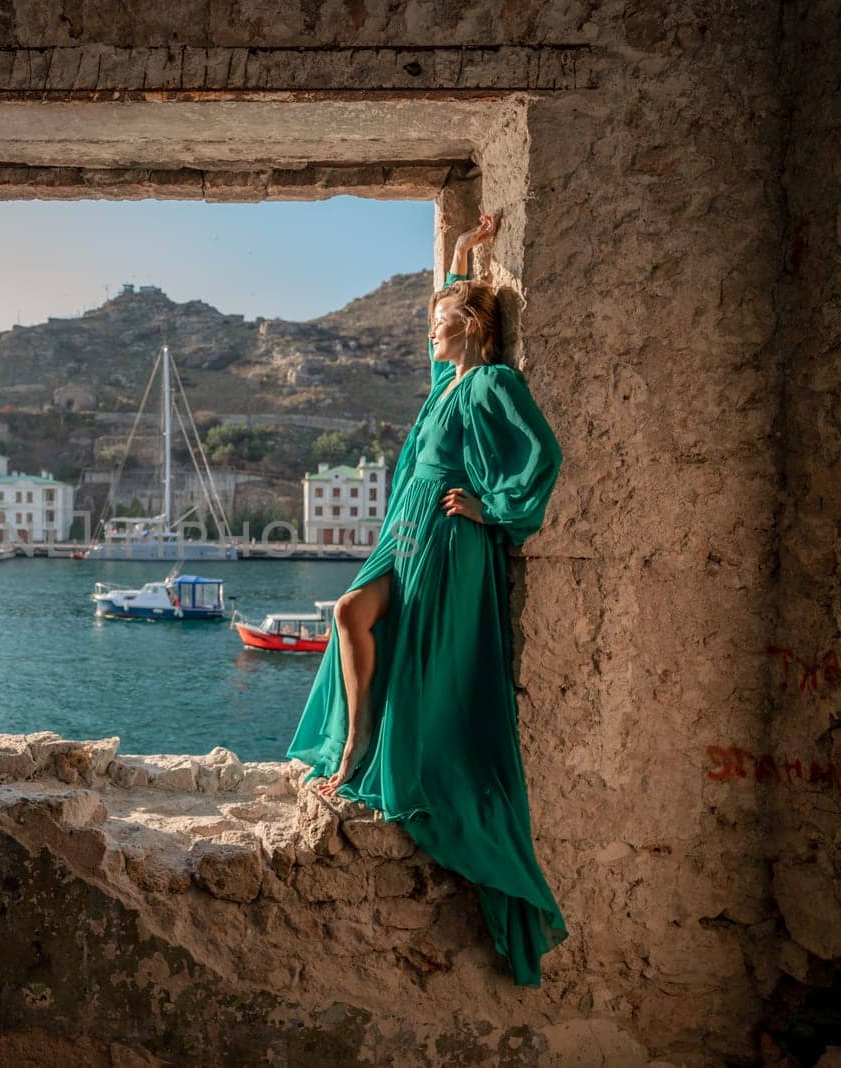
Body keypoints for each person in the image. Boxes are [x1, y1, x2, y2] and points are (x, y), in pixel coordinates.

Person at [284, 211, 569, 988]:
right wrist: (464, 253)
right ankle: (357, 742)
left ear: (471, 328)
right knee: (349, 615)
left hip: (446, 539)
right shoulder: (449, 382)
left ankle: (368, 749)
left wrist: (493, 510)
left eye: (442, 325)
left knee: (413, 653)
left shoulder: (491, 383)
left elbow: (542, 453)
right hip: (402, 530)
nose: (431, 336)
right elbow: (446, 294)